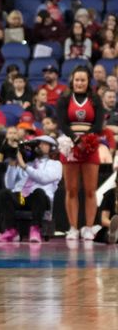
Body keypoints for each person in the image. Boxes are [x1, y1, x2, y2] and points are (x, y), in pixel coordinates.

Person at [56, 67, 104, 241]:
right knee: (71, 189)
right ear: (72, 81)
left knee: (91, 190)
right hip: (69, 147)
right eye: (77, 80)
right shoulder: (64, 99)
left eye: (83, 80)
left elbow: (99, 125)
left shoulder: (95, 99)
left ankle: (89, 228)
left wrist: (87, 140)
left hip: (90, 147)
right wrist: (76, 140)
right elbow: (62, 123)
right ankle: (73, 228)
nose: (80, 83)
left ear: (88, 81)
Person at [0, 136, 62, 243]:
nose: (39, 146)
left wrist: (24, 166)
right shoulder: (27, 162)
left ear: (52, 148)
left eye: (44, 144)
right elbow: (10, 185)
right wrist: (12, 166)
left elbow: (44, 178)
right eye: (38, 143)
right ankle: (11, 230)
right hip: (22, 198)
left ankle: (35, 229)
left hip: (41, 200)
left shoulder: (55, 164)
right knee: (4, 193)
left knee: (39, 192)